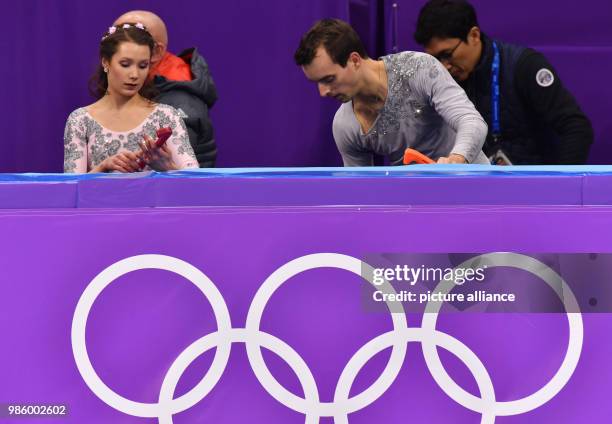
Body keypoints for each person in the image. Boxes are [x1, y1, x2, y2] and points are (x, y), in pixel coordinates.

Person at [414, 0, 594, 165]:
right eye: (435, 59)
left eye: (447, 54)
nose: (443, 67)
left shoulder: (524, 66)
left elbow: (576, 128)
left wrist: (559, 186)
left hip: (534, 188)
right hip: (475, 189)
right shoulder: (436, 81)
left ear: (474, 35)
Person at [294, 18, 489, 166]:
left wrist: (456, 161)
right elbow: (360, 194)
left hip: (475, 191)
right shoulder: (345, 126)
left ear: (354, 60)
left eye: (329, 79)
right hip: (414, 210)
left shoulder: (418, 68)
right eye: (317, 83)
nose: (323, 92)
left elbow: (471, 121)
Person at [63, 23, 198, 173]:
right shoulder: (80, 120)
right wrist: (103, 167)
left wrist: (167, 167)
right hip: (101, 197)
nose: (134, 75)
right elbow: (72, 187)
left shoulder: (167, 116)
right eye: (125, 64)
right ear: (105, 62)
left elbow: (193, 182)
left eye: (142, 66)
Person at [114, 11, 218, 168]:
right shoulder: (137, 89)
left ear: (156, 51)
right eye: (114, 39)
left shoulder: (178, 101)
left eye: (129, 37)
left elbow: (178, 176)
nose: (117, 47)